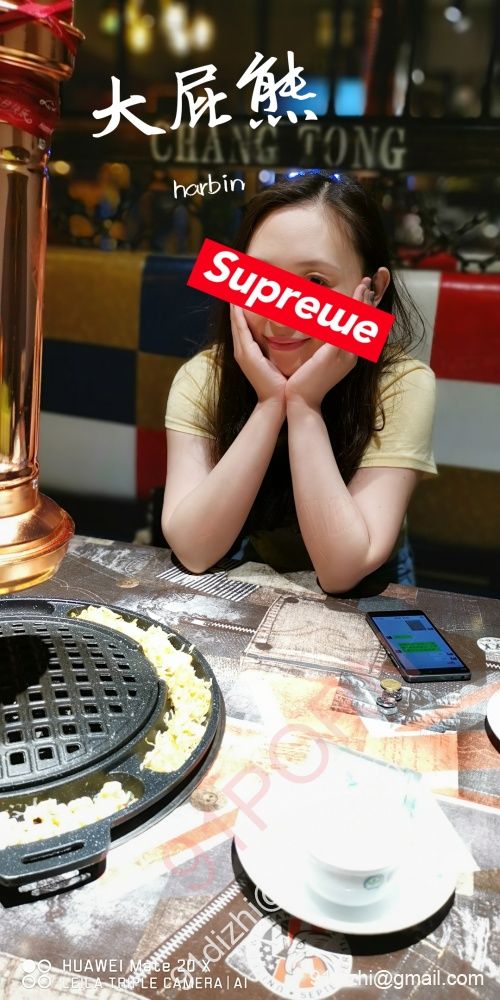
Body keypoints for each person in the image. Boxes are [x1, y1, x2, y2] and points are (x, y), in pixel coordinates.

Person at [161, 172, 436, 595]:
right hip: (252, 577)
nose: (280, 315)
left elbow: (342, 570)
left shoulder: (401, 385)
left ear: (375, 289)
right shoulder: (204, 377)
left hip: (371, 590)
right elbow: (195, 550)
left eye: (315, 283)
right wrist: (270, 405)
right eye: (261, 281)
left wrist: (305, 407)